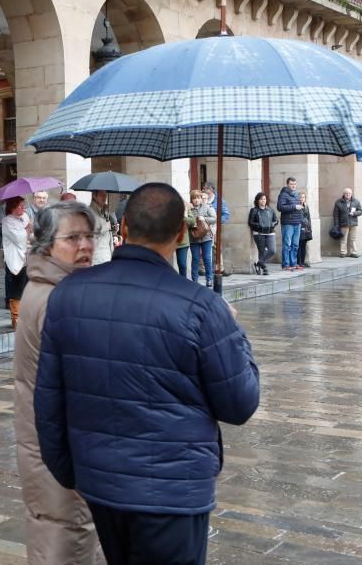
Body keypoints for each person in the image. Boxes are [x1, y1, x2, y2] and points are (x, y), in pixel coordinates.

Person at [35, 183, 260, 565]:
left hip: (100, 478)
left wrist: (71, 473)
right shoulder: (201, 306)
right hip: (172, 490)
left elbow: (47, 400)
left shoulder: (69, 293)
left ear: (122, 228)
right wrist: (233, 331)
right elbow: (239, 403)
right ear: (179, 234)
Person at [13, 200, 101, 564]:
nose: (85, 245)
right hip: (60, 446)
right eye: (73, 238)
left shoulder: (51, 286)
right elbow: (84, 383)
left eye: (89, 236)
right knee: (69, 532)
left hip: (47, 441)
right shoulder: (58, 298)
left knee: (58, 529)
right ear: (47, 245)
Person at [1, 197, 31, 328]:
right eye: (20, 206)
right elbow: (18, 238)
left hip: (27, 257)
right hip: (15, 258)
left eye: (24, 205)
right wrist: (28, 230)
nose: (23, 208)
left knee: (27, 287)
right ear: (12, 207)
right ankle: (16, 317)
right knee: (16, 289)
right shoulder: (7, 221)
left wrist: (32, 229)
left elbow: (31, 235)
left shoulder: (25, 216)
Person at [188, 189, 216, 287]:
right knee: (195, 258)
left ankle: (209, 279)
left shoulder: (206, 207)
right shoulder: (189, 208)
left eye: (198, 198)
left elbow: (214, 219)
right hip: (194, 237)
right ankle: (194, 280)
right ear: (191, 199)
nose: (196, 200)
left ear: (201, 198)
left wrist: (204, 218)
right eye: (194, 198)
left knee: (207, 258)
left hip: (206, 237)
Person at [247, 192, 278, 275]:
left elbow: (276, 220)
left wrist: (271, 225)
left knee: (272, 250)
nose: (263, 201)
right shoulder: (254, 210)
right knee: (262, 251)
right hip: (259, 233)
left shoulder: (270, 210)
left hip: (270, 232)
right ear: (257, 200)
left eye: (264, 199)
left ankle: (258, 264)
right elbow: (250, 222)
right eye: (261, 199)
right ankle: (264, 269)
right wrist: (260, 225)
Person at [276, 176, 303, 271]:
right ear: (287, 184)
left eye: (295, 184)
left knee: (295, 245)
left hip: (297, 223)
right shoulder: (283, 194)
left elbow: (299, 207)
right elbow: (280, 207)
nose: (293, 186)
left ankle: (294, 263)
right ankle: (286, 264)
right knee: (287, 244)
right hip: (288, 223)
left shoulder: (297, 194)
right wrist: (294, 207)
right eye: (291, 184)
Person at [88, 190, 118, 265]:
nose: (104, 198)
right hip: (97, 258)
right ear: (94, 196)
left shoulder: (104, 211)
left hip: (107, 255)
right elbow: (92, 230)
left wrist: (111, 211)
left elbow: (112, 231)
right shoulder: (89, 212)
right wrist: (108, 226)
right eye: (102, 195)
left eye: (105, 196)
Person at [333, 188, 361, 258]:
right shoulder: (338, 202)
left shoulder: (356, 201)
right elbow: (335, 214)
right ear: (344, 194)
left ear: (351, 194)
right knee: (343, 238)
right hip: (344, 223)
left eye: (349, 193)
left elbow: (360, 211)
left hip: (353, 223)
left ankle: (353, 252)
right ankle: (343, 252)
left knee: (353, 239)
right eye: (346, 193)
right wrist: (336, 224)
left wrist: (354, 213)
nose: (348, 194)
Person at [176, 196, 196, 278]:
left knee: (182, 264)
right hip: (169, 241)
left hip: (183, 242)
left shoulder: (187, 210)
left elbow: (192, 222)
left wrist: (184, 216)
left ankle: (183, 281)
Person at [296, 191, 312, 269]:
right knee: (299, 245)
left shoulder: (306, 206)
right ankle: (298, 262)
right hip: (299, 228)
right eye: (300, 197)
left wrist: (309, 228)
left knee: (304, 246)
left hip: (306, 229)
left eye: (303, 197)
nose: (302, 199)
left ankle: (302, 261)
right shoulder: (297, 206)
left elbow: (308, 218)